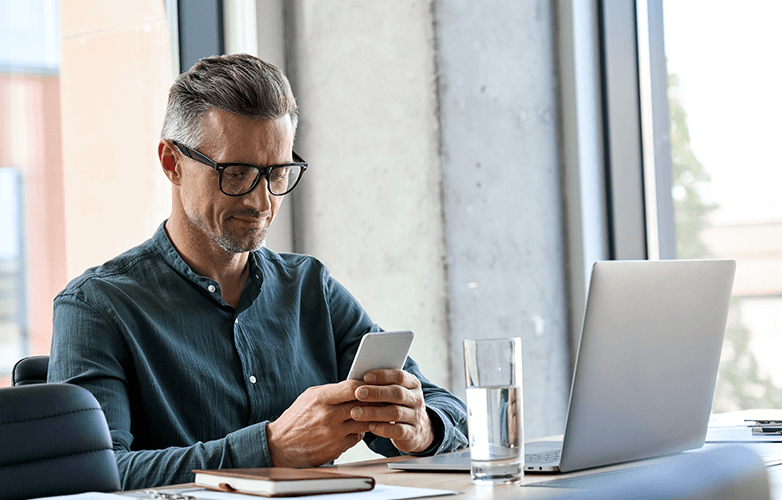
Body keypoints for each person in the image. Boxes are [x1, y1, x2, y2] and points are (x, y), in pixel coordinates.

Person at [48, 53, 468, 490]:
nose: (261, 201)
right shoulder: (97, 306)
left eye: (277, 173)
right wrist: (269, 448)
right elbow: (92, 474)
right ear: (172, 163)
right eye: (237, 173)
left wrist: (419, 428)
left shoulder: (310, 288)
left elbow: (442, 406)